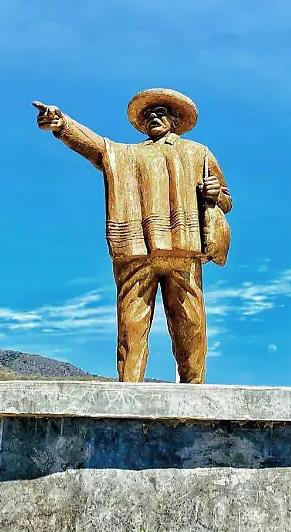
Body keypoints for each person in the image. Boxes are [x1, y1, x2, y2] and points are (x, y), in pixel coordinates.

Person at [35, 89, 231, 383]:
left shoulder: (197, 152)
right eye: (148, 115)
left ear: (175, 120)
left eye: (161, 112)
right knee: (131, 325)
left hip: (183, 247)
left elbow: (226, 200)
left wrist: (215, 193)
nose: (154, 117)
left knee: (190, 323)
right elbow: (97, 148)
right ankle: (129, 390)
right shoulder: (127, 155)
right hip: (136, 249)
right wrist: (63, 124)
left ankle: (195, 390)